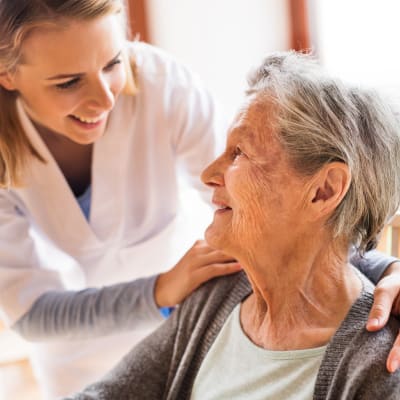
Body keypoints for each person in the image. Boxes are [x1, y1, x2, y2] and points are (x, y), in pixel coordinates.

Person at [0, 1, 399, 398]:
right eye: (68, 82)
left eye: (113, 63)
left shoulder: (161, 84)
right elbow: (33, 311)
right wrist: (159, 292)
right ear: (7, 75)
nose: (106, 98)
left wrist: (385, 269)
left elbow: (289, 209)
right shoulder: (215, 304)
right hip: (84, 353)